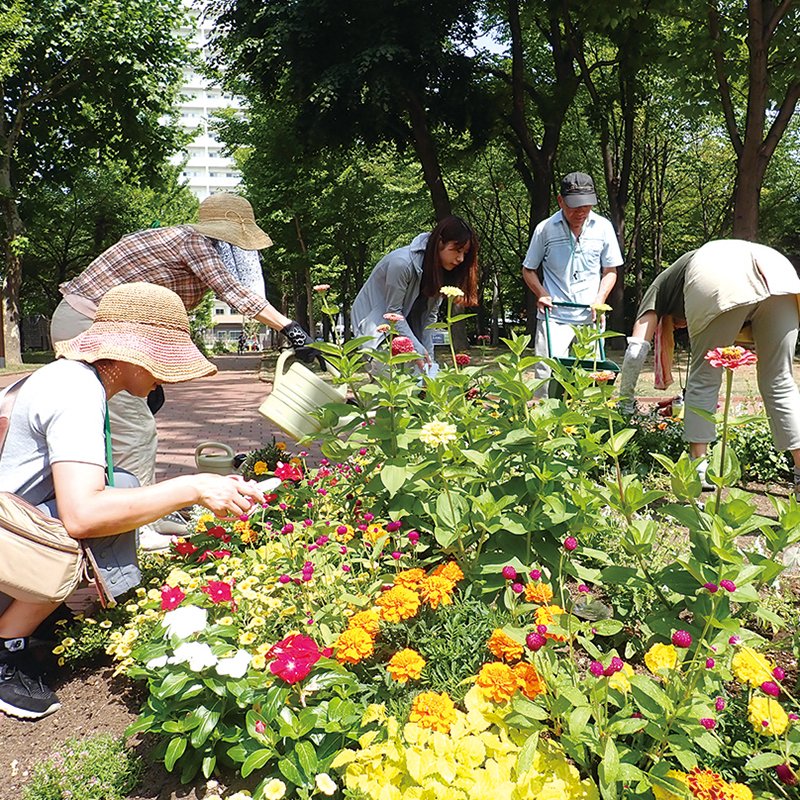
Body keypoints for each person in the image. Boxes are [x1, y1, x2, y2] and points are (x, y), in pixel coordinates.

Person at [0, 283, 265, 720]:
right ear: (131, 355)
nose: (165, 375)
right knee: (112, 500)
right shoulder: (76, 392)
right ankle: (7, 646)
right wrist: (193, 488)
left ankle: (36, 618)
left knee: (121, 482)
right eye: (162, 360)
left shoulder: (67, 377)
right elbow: (83, 515)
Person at [51, 193, 312, 543]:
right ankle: (136, 529)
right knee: (134, 426)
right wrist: (289, 328)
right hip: (91, 323)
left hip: (102, 324)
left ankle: (142, 508)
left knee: (126, 421)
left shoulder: (177, 240)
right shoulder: (195, 241)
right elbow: (233, 291)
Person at [617, 239, 800, 491]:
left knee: (704, 378)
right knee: (779, 381)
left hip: (719, 276)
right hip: (779, 270)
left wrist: (624, 403)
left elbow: (637, 345)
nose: (680, 328)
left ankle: (698, 469)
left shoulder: (661, 284)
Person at [522, 172, 623, 397]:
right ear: (560, 201)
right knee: (547, 374)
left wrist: (600, 299)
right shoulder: (545, 229)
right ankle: (546, 423)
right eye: (575, 206)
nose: (581, 212)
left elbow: (610, 271)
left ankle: (587, 422)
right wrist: (541, 293)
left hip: (590, 316)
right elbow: (528, 269)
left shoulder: (603, 228)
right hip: (554, 316)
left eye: (586, 206)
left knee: (593, 376)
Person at [351, 216, 479, 371]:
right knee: (389, 386)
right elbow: (393, 313)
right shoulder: (402, 264)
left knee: (423, 382)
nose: (460, 259)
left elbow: (429, 318)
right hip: (376, 330)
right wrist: (417, 350)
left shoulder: (439, 272)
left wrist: (429, 360)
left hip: (407, 331)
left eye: (465, 253)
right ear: (440, 242)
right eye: (457, 250)